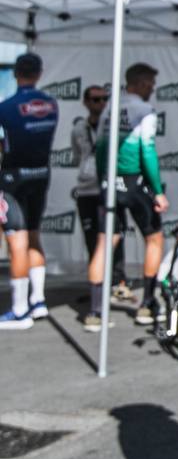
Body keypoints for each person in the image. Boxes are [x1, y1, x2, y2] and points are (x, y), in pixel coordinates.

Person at [87, 62, 169, 332]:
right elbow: (147, 152)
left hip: (111, 182)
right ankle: (147, 304)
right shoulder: (144, 110)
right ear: (141, 83)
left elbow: (99, 149)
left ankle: (95, 312)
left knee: (104, 243)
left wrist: (104, 181)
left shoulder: (111, 106)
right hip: (134, 182)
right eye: (151, 84)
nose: (153, 89)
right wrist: (157, 191)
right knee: (154, 238)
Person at [0, 52, 58, 330]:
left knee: (17, 242)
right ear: (39, 73)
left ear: (16, 73)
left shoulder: (7, 107)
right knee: (33, 235)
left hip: (14, 179)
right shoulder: (51, 104)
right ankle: (38, 301)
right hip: (41, 175)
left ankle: (20, 309)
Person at [70, 84, 129, 302]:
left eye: (104, 99)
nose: (101, 103)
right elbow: (77, 155)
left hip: (110, 188)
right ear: (86, 102)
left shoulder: (114, 125)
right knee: (92, 239)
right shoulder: (78, 129)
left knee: (115, 236)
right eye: (95, 99)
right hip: (87, 190)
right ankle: (97, 285)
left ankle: (118, 281)